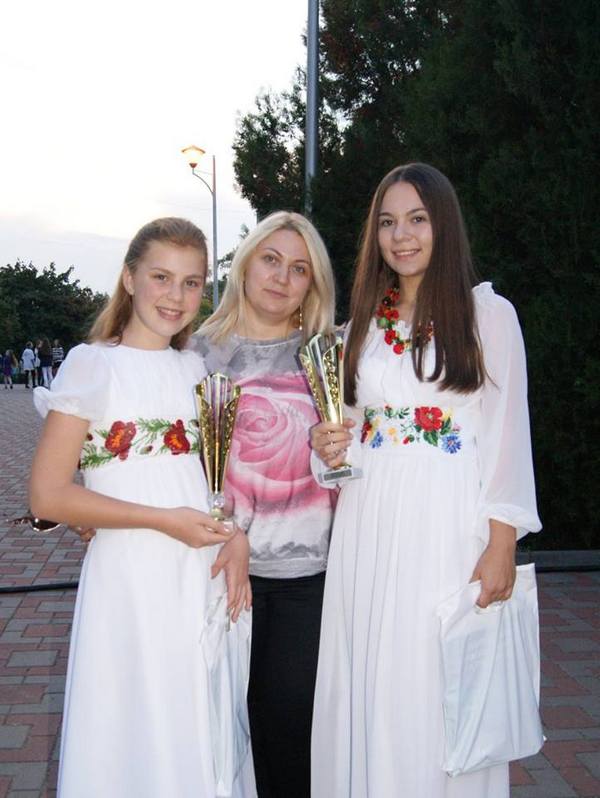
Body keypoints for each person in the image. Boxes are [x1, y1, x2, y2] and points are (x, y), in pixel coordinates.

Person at [309, 163, 541, 797]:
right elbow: (344, 431)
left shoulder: (487, 315)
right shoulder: (358, 327)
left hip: (446, 523)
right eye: (388, 222)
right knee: (371, 675)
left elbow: (507, 435)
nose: (401, 235)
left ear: (444, 224)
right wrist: (325, 448)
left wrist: (502, 541)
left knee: (435, 682)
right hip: (368, 520)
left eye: (417, 219)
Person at [29, 217, 254, 798]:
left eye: (191, 282)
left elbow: (207, 480)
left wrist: (233, 535)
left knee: (192, 721)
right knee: (134, 722)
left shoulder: (195, 368)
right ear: (129, 278)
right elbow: (48, 495)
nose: (175, 296)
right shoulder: (92, 364)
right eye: (161, 277)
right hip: (130, 577)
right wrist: (162, 521)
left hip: (195, 572)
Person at [192, 211, 337, 798]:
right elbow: (168, 456)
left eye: (299, 269)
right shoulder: (197, 353)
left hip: (308, 577)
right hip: (219, 573)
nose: (281, 277)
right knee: (220, 732)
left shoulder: (328, 355)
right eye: (271, 260)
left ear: (312, 284)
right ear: (245, 264)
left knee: (289, 730)